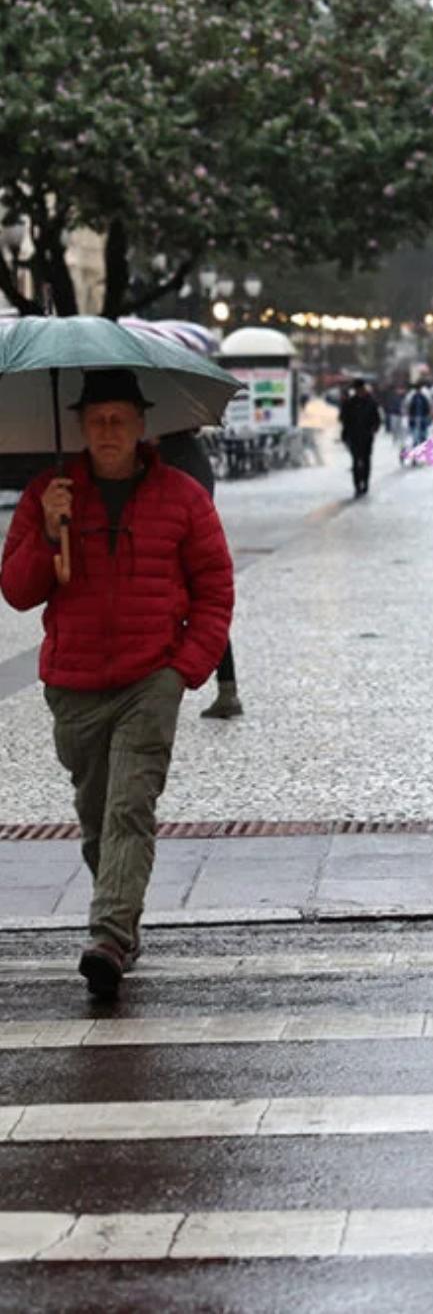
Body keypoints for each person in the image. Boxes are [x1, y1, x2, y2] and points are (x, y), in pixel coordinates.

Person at [0, 369, 233, 998]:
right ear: (80, 425)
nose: (109, 431)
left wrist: (184, 671)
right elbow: (18, 592)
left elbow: (215, 589)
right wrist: (49, 534)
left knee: (131, 807)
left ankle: (108, 935)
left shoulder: (182, 497)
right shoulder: (48, 494)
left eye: (120, 419)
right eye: (98, 419)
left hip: (148, 680)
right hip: (73, 683)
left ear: (141, 425)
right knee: (96, 817)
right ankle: (125, 921)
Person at [155, 429, 242, 719]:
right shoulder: (192, 449)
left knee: (197, 612)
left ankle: (224, 691)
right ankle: (227, 690)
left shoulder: (173, 453)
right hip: (192, 540)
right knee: (205, 615)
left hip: (183, 544)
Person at [339, 380, 381, 496]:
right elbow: (343, 418)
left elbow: (377, 418)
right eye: (358, 389)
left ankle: (365, 482)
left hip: (367, 436)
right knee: (356, 460)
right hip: (353, 436)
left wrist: (374, 429)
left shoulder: (371, 402)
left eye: (361, 389)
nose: (360, 391)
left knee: (366, 460)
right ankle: (357, 485)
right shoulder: (349, 403)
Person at [406, 381, 432, 448]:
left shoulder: (420, 397)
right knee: (417, 436)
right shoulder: (416, 397)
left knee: (421, 435)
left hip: (420, 418)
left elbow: (427, 407)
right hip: (417, 418)